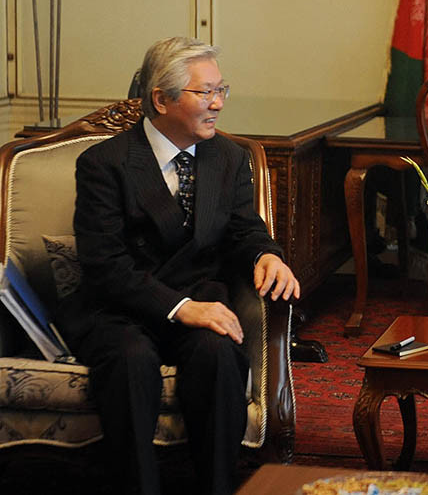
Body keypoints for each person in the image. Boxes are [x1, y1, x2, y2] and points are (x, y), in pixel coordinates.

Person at [56, 37, 301, 495]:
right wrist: (179, 307)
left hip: (202, 302)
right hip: (120, 309)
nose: (218, 104)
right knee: (130, 362)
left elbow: (245, 230)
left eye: (221, 90)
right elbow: (105, 265)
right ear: (161, 99)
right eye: (205, 92)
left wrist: (267, 254)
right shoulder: (104, 164)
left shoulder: (228, 158)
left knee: (218, 354)